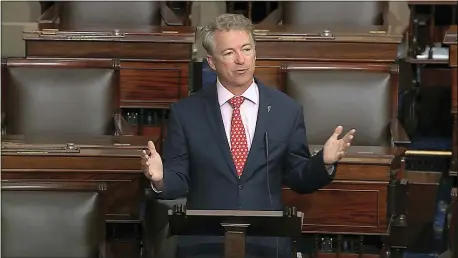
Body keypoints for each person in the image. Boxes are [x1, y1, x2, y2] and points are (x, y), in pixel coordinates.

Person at [141, 13, 356, 258]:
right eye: (229, 53)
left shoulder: (286, 110)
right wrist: (159, 178)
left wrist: (324, 163)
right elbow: (178, 179)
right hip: (204, 243)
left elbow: (298, 177)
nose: (241, 60)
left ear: (255, 52)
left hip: (267, 242)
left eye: (246, 49)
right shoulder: (186, 112)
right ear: (211, 62)